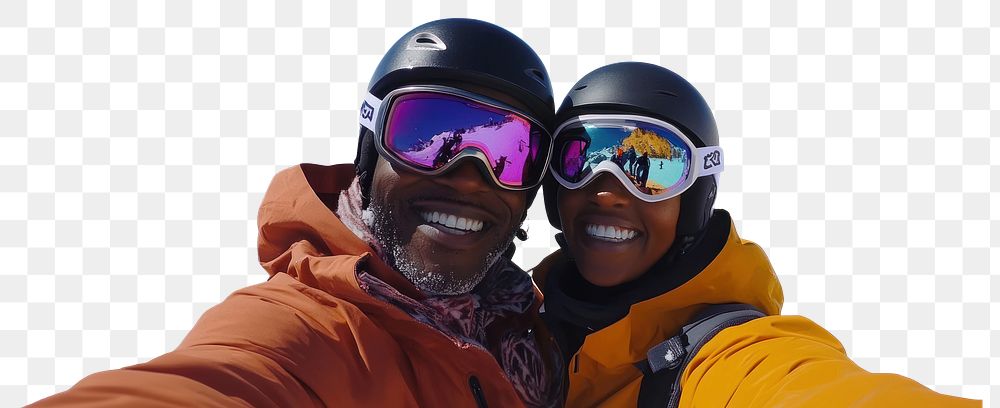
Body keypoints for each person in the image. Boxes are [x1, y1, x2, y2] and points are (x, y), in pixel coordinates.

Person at [30, 19, 563, 408]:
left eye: (511, 151)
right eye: (428, 134)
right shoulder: (299, 327)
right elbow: (221, 379)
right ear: (369, 151)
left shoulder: (535, 329)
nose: (470, 173)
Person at [534, 62, 978, 407]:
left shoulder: (729, 357)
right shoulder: (508, 320)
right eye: (582, 158)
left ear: (695, 198)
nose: (608, 192)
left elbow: (801, 387)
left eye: (653, 168)